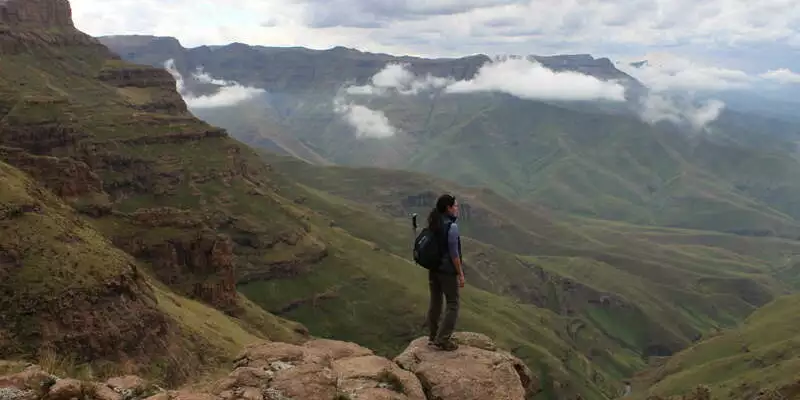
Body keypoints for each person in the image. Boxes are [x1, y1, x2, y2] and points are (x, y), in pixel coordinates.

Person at [426, 194, 465, 351]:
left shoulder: (434, 222)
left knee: (435, 302)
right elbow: (454, 254)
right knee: (453, 304)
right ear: (448, 208)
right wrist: (460, 274)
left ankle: (433, 336)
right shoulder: (451, 227)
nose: (457, 209)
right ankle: (442, 339)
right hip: (446, 271)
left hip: (433, 269)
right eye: (455, 206)